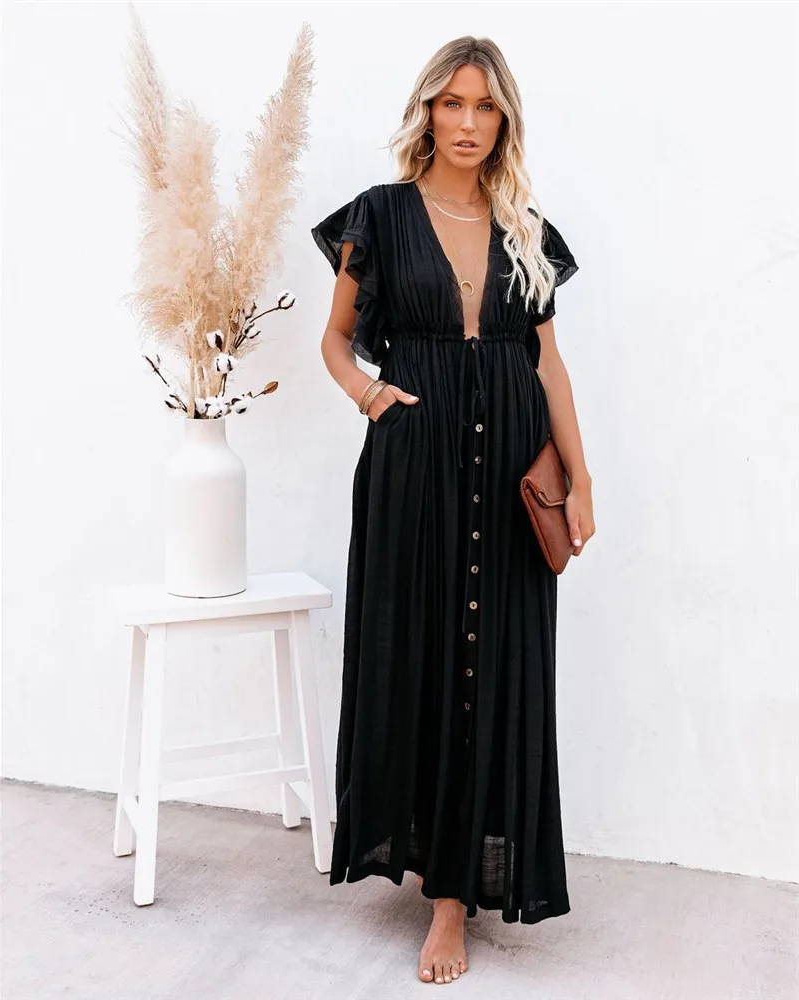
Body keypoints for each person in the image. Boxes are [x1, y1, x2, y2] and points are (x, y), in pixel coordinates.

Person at [311, 35, 595, 987]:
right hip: (415, 463)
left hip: (510, 469)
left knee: (495, 664)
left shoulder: (526, 229)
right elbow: (335, 339)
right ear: (427, 110)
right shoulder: (381, 215)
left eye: (485, 106)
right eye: (452, 103)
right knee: (424, 652)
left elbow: (548, 364)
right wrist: (370, 397)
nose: (468, 123)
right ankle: (432, 874)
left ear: (504, 119)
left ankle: (453, 901)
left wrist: (581, 480)